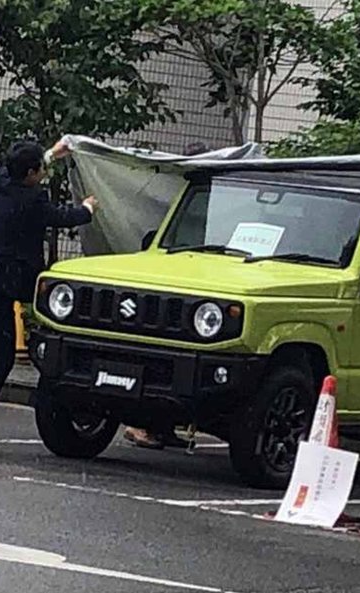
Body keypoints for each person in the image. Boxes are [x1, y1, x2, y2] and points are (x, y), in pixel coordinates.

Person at [0, 140, 97, 448]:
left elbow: (14, 168)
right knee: (0, 359)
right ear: (30, 174)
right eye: (41, 170)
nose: (43, 173)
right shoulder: (31, 201)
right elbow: (61, 216)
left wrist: (52, 155)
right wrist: (87, 209)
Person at [122, 139, 208, 451]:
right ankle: (141, 425)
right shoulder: (188, 195)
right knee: (156, 364)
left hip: (187, 292)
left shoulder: (196, 193)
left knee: (167, 367)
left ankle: (161, 427)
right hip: (171, 292)